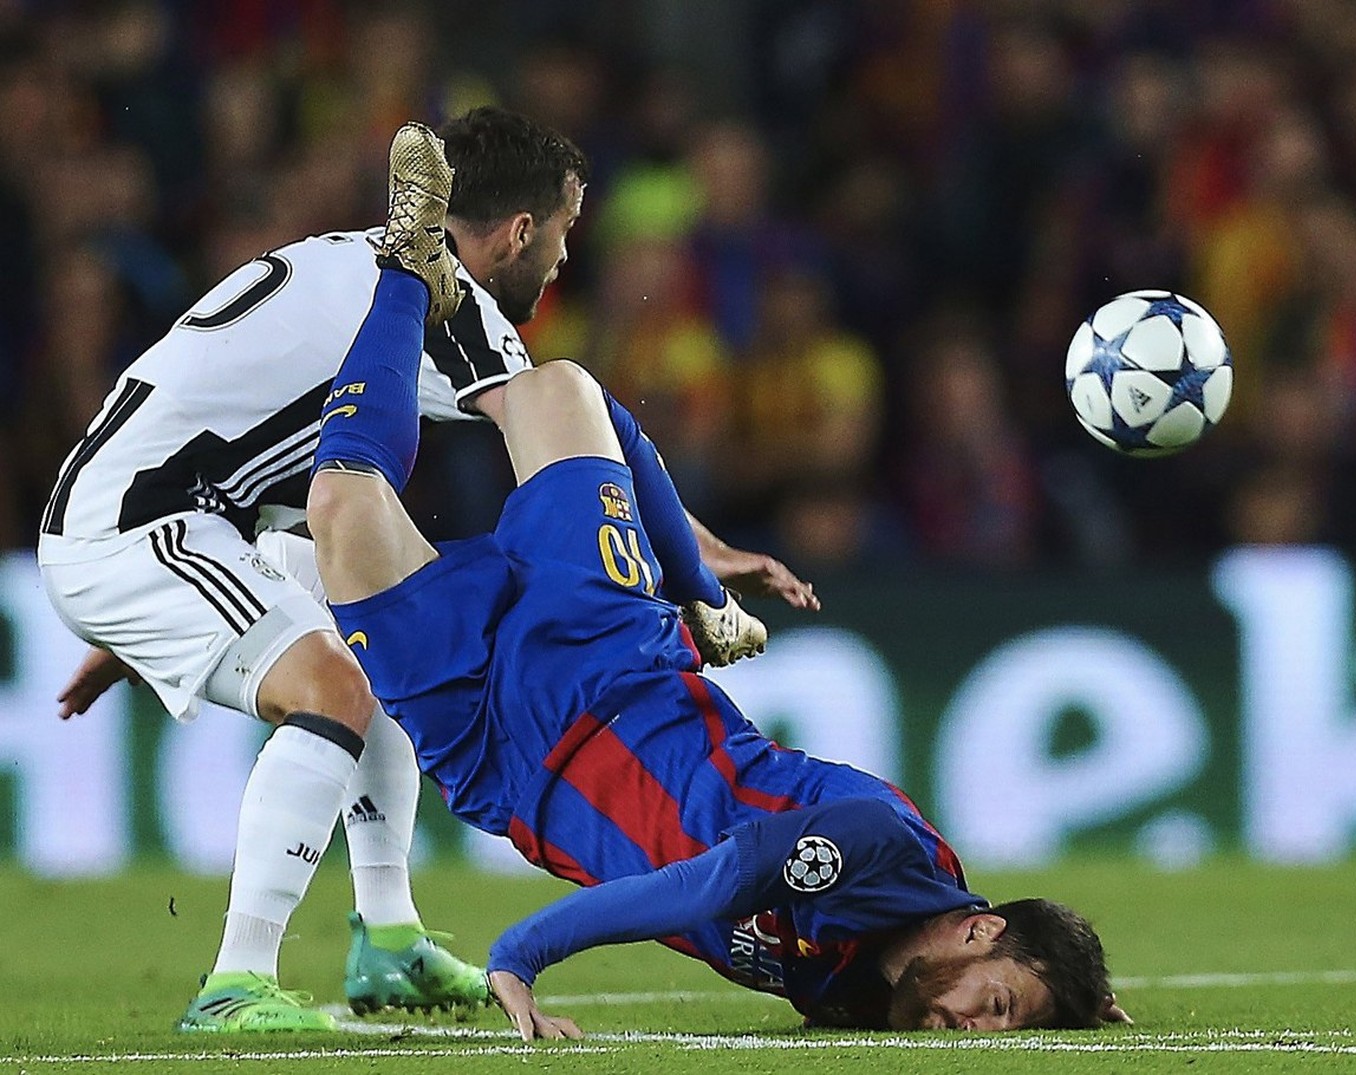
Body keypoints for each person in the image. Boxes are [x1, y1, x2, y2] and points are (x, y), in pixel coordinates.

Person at [304, 123, 1129, 1038]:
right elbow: (718, 880)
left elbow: (1007, 986)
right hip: (607, 670)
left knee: (340, 506)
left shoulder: (866, 997)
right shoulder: (875, 849)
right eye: (999, 1003)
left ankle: (406, 269)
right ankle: (416, 255)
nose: (984, 1030)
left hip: (498, 766)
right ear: (980, 927)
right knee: (560, 392)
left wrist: (1083, 1005)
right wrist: (520, 951)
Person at [37, 108, 814, 1033]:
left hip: (184, 527)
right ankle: (235, 982)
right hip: (144, 528)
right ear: (522, 230)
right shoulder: (450, 306)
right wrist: (704, 569)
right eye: (563, 234)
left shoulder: (355, 256)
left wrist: (143, 624)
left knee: (390, 631)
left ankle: (391, 939)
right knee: (331, 685)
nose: (564, 261)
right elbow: (583, 429)